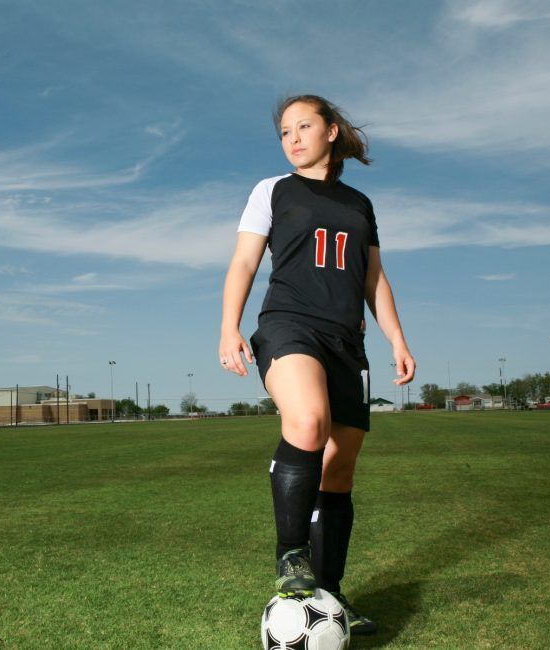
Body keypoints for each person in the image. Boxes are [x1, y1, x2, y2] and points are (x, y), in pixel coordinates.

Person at [219, 95, 416, 635]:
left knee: (340, 469)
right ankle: (290, 556)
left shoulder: (359, 205)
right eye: (285, 131)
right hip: (289, 322)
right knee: (307, 422)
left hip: (345, 340)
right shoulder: (272, 191)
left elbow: (374, 279)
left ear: (331, 131)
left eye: (304, 126)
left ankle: (330, 595)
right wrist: (228, 326)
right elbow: (243, 259)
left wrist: (396, 339)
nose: (293, 138)